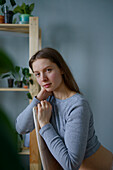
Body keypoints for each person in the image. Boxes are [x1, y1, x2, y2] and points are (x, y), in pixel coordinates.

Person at [16, 47, 113, 170]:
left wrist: (45, 124)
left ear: (61, 69)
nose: (43, 78)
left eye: (48, 70)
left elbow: (70, 165)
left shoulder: (78, 105)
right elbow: (21, 127)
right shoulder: (47, 101)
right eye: (37, 74)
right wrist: (37, 99)